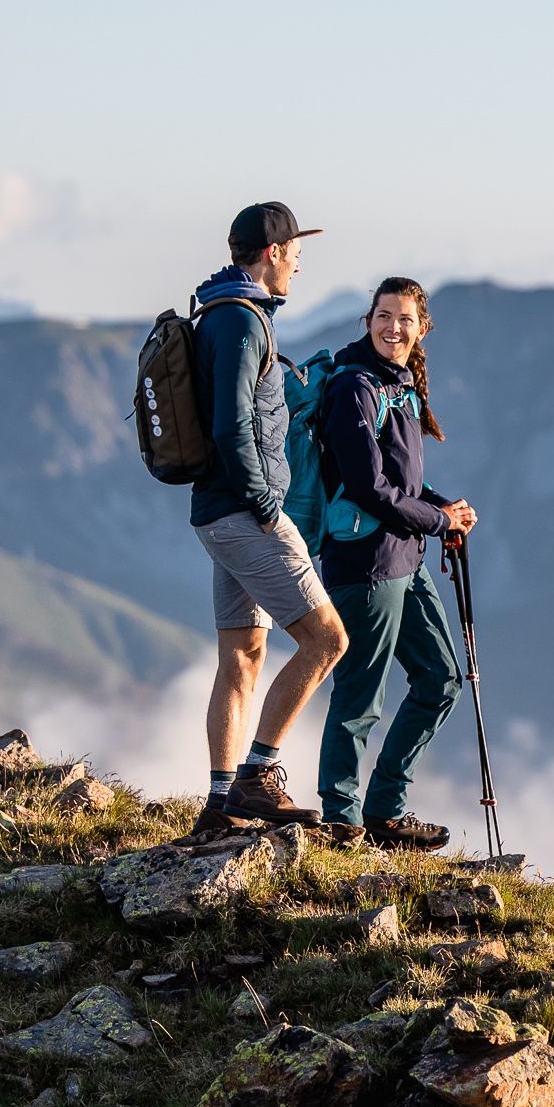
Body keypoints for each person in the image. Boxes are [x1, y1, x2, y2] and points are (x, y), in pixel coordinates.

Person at [188, 202, 348, 833]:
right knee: (327, 639)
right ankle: (258, 776)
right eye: (296, 252)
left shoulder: (218, 314)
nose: (300, 264)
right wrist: (262, 505)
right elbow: (231, 424)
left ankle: (220, 805)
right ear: (273, 252)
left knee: (244, 654)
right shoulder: (242, 323)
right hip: (244, 514)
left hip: (216, 514)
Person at [312, 276, 476, 848]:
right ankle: (341, 818)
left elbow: (403, 480)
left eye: (404, 319)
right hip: (364, 563)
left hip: (405, 559)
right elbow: (367, 488)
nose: (393, 327)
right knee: (360, 695)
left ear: (422, 329)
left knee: (441, 680)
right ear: (368, 320)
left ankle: (383, 808)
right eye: (383, 316)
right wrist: (438, 521)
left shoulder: (399, 385)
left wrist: (441, 506)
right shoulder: (355, 387)